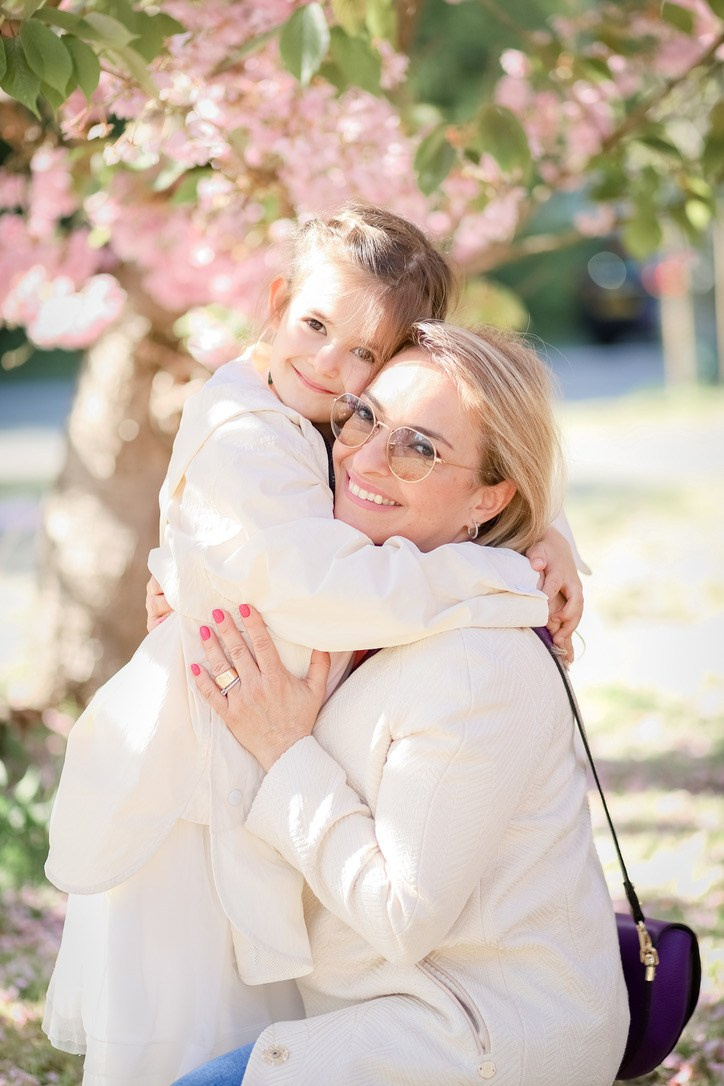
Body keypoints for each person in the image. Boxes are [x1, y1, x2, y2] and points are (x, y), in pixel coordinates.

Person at [43, 206, 583, 1085]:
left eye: (365, 355)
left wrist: (543, 533)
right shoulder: (245, 431)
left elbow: (466, 438)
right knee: (187, 998)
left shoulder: (327, 411)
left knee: (260, 995)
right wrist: (483, 577)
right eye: (317, 327)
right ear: (278, 301)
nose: (334, 366)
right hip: (197, 770)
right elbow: (321, 587)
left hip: (253, 768)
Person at [174, 320, 629, 1086]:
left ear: (489, 495)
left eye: (418, 448)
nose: (367, 458)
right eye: (363, 417)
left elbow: (402, 914)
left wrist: (286, 751)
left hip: (474, 1041)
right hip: (383, 1014)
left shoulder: (480, 664)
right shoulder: (367, 587)